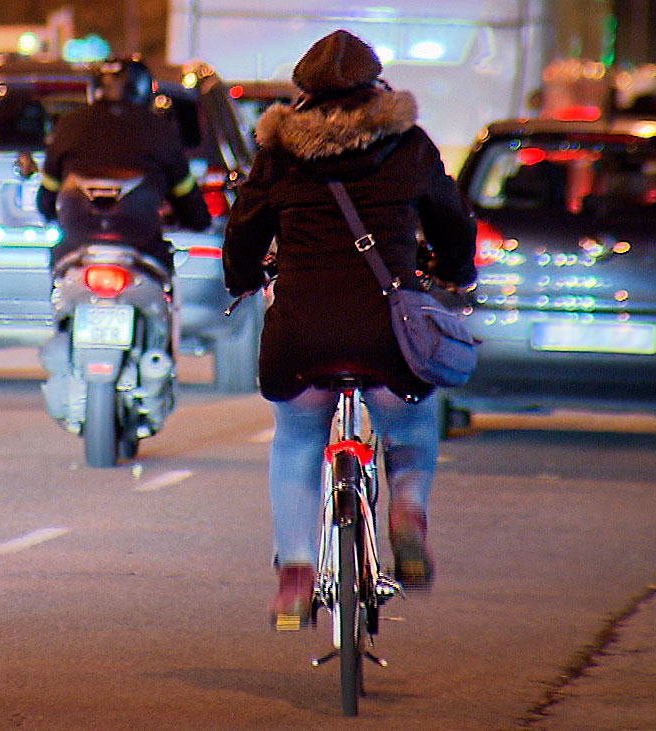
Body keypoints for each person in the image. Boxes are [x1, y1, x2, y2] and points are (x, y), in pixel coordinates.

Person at [221, 30, 477, 627]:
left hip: (302, 336)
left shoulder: (279, 151)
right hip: (387, 335)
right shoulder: (410, 146)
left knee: (296, 438)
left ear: (303, 91)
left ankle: (293, 576)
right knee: (410, 419)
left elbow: (245, 229)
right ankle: (408, 512)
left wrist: (241, 278)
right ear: (375, 85)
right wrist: (455, 273)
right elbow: (452, 221)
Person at [36, 57, 211, 272]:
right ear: (143, 88)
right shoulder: (158, 129)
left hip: (77, 242)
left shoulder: (70, 124)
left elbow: (46, 197)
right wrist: (197, 220)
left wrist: (50, 212)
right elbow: (187, 198)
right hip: (142, 245)